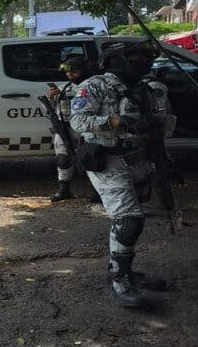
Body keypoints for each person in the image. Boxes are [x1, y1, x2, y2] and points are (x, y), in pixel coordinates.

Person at [69, 40, 172, 308]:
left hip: (138, 159)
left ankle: (123, 267)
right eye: (137, 57)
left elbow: (161, 123)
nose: (144, 62)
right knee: (129, 221)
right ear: (117, 60)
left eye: (146, 57)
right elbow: (79, 121)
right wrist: (115, 121)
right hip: (107, 158)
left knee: (133, 220)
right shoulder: (94, 85)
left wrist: (155, 133)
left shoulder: (146, 89)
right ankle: (120, 277)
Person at [46, 56, 99, 202]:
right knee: (63, 160)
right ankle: (64, 190)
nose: (70, 75)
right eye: (68, 72)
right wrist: (52, 98)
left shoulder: (94, 86)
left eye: (74, 72)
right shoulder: (66, 87)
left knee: (90, 158)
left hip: (87, 128)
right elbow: (53, 109)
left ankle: (97, 191)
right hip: (66, 128)